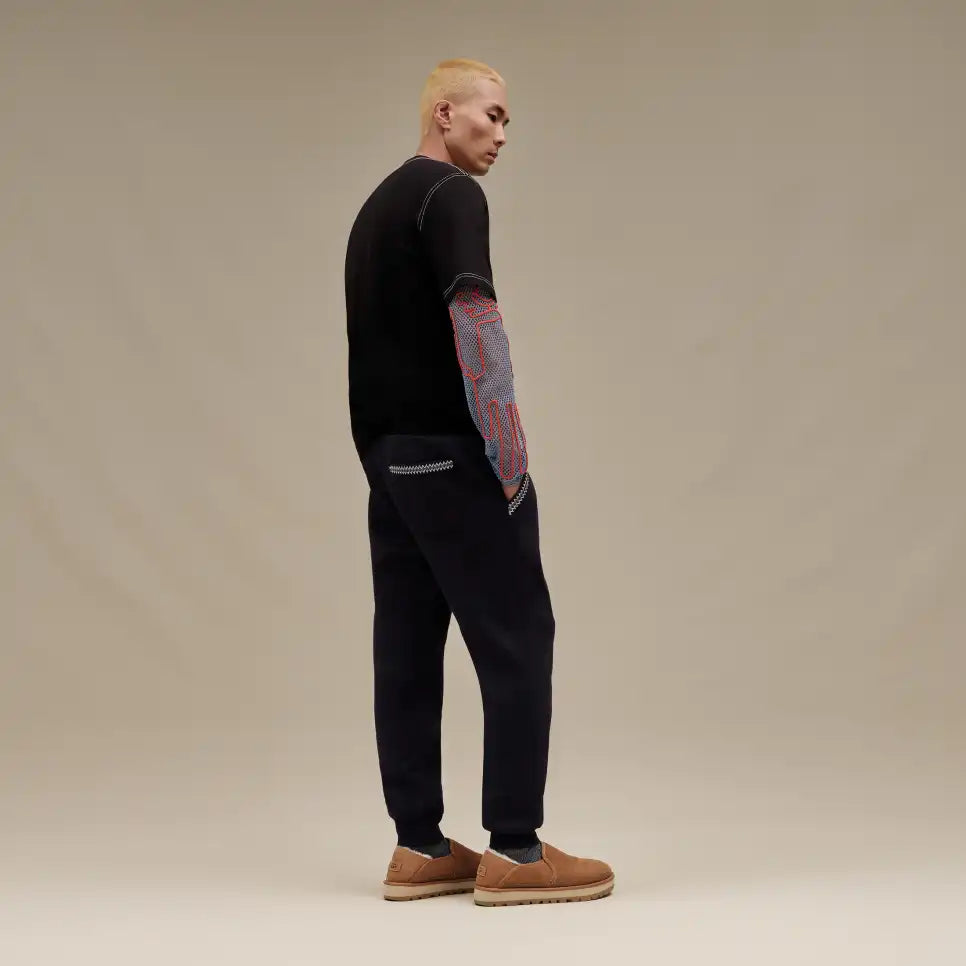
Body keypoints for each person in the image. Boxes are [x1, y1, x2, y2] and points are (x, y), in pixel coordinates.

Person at [344, 58, 614, 906]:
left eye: (506, 121)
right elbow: (475, 318)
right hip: (455, 455)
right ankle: (517, 851)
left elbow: (367, 346)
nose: (501, 135)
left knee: (406, 647)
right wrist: (509, 458)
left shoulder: (376, 206)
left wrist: (382, 463)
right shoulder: (452, 195)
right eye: (491, 115)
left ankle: (418, 846)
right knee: (518, 635)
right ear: (443, 112)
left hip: (390, 461)